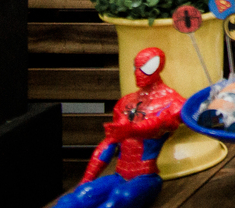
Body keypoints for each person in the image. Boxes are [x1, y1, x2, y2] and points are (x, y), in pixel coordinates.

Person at [55, 48, 183, 208]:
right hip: (119, 175)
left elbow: (160, 125)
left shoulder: (172, 102)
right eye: (136, 67)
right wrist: (85, 181)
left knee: (117, 200)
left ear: (157, 66)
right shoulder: (125, 102)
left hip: (145, 177)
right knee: (75, 198)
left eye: (146, 67)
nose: (138, 73)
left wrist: (131, 130)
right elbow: (108, 144)